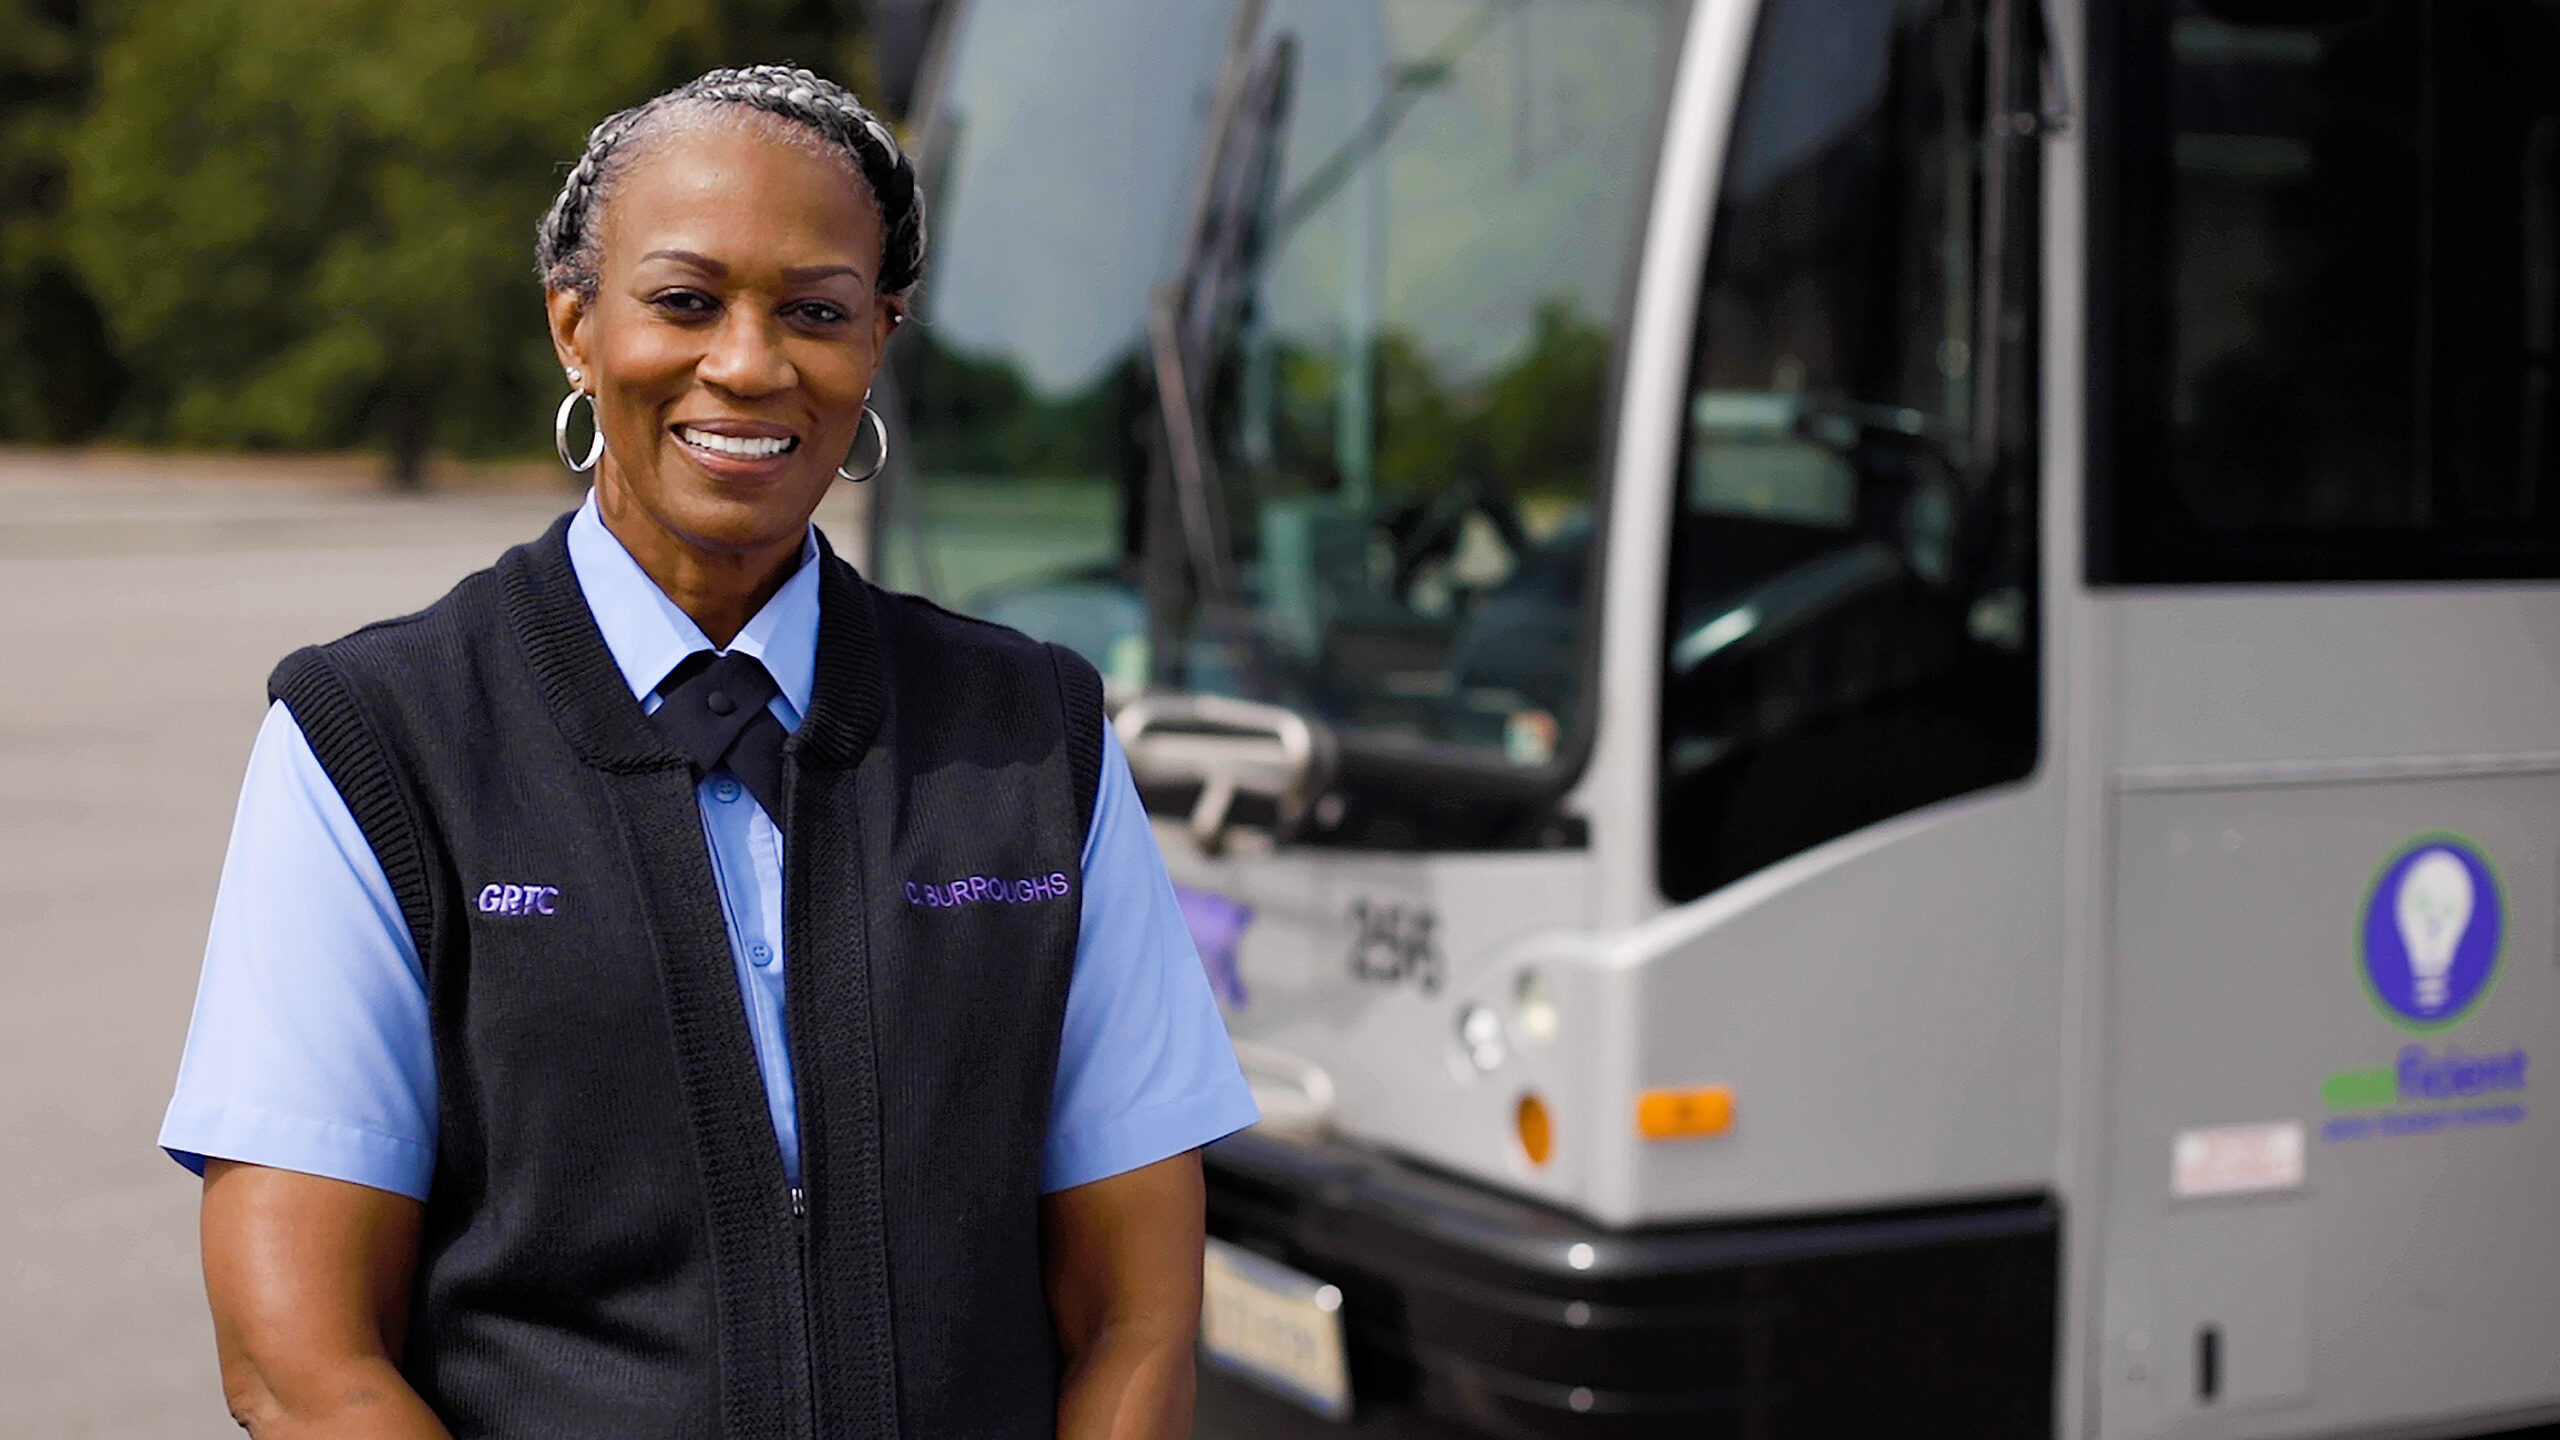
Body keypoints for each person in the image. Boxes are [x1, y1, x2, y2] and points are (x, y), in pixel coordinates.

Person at [158, 66, 1257, 1440]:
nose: (749, 363)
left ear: (880, 338)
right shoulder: (376, 741)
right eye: (684, 301)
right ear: (576, 324)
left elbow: (1138, 1316)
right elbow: (298, 1360)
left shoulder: (1036, 738)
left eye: (817, 311)